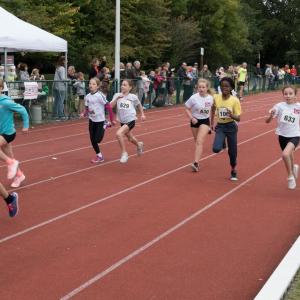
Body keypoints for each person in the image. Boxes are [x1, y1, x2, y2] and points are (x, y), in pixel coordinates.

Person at [266, 85, 300, 189]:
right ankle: (294, 167)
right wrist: (271, 115)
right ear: (283, 95)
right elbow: (267, 121)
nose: (288, 96)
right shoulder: (279, 106)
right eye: (286, 94)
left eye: (290, 94)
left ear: (295, 95)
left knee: (285, 154)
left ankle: (290, 176)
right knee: (289, 155)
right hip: (282, 135)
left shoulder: (298, 106)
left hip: (295, 135)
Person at [211, 77, 242, 181]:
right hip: (220, 126)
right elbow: (212, 107)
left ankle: (233, 169)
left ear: (231, 88)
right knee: (216, 149)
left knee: (232, 152)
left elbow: (239, 118)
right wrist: (211, 123)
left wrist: (231, 115)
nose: (224, 88)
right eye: (222, 86)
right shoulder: (216, 97)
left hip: (231, 127)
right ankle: (222, 140)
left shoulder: (235, 100)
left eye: (227, 86)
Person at [0, 79, 29, 187]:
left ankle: (10, 163)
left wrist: (25, 126)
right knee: (10, 156)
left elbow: (23, 111)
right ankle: (19, 175)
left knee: (10, 161)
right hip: (1, 133)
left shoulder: (6, 102)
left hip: (8, 133)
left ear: (1, 88)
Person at [110, 79, 146, 163]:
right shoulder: (117, 95)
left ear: (130, 87)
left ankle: (124, 153)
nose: (122, 86)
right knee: (130, 138)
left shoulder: (133, 97)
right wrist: (117, 98)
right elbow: (110, 106)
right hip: (122, 121)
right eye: (122, 84)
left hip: (131, 120)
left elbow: (139, 105)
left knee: (119, 134)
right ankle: (139, 144)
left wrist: (143, 114)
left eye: (125, 85)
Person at [81, 77, 115, 163]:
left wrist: (112, 119)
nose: (91, 85)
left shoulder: (100, 96)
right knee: (92, 140)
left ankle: (105, 125)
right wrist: (84, 113)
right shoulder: (87, 96)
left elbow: (109, 107)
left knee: (97, 140)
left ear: (97, 86)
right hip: (92, 120)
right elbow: (87, 108)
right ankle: (99, 156)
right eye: (90, 83)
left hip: (100, 120)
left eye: (93, 84)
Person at [185, 79, 214, 172]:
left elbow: (213, 109)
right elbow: (186, 108)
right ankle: (198, 157)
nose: (201, 89)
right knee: (196, 141)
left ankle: (196, 163)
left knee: (199, 141)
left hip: (205, 121)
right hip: (194, 121)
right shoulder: (193, 98)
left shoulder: (211, 98)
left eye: (203, 87)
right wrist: (191, 118)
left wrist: (212, 123)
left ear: (207, 88)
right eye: (199, 87)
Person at [53, 56, 67, 120]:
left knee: (56, 101)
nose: (67, 61)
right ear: (63, 61)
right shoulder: (62, 68)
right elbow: (63, 78)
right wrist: (68, 80)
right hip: (61, 87)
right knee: (60, 101)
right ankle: (60, 115)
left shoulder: (58, 68)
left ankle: (55, 115)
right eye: (66, 60)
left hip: (56, 86)